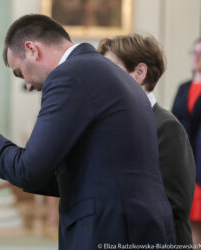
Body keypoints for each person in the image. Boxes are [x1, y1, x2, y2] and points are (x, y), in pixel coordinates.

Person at [0, 14, 176, 249]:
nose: (27, 85)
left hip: (108, 229)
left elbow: (30, 169)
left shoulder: (68, 75)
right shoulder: (110, 72)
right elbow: (73, 176)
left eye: (20, 72)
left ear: (32, 49)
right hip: (144, 224)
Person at [98, 33, 196, 247]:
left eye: (109, 70)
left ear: (139, 73)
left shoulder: (166, 127)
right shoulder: (108, 126)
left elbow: (175, 205)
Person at [172, 38, 201, 245]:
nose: (197, 57)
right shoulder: (184, 87)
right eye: (195, 52)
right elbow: (174, 120)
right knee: (189, 222)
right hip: (185, 159)